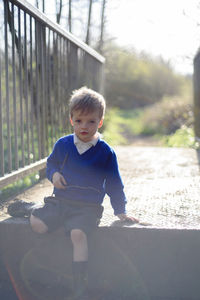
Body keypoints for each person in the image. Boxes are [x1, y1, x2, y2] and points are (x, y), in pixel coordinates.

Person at [7, 87, 139, 300]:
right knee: (39, 226)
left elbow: (114, 182)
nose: (84, 126)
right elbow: (51, 165)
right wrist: (55, 175)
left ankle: (80, 281)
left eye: (91, 121)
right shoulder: (64, 144)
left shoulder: (105, 152)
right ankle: (33, 209)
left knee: (78, 234)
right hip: (61, 201)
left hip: (87, 208)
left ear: (100, 122)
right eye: (79, 121)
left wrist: (120, 210)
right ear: (71, 120)